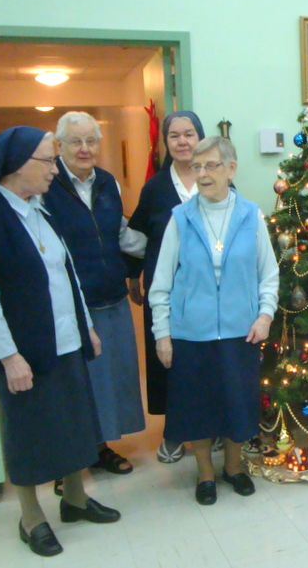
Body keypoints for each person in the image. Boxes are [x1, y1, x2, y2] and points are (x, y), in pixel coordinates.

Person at [0, 126, 121, 557]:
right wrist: (8, 357)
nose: (54, 169)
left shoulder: (39, 210)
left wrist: (86, 326)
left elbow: (67, 275)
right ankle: (30, 517)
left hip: (65, 340)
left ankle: (75, 500)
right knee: (27, 433)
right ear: (15, 165)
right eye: (47, 160)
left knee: (74, 423)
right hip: (23, 350)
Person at [149, 136, 279, 504]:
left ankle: (234, 468)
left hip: (241, 331)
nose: (202, 174)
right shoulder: (181, 217)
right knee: (197, 408)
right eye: (197, 167)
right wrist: (163, 334)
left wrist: (265, 315)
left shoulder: (251, 215)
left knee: (238, 404)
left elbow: (268, 273)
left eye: (211, 165)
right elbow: (161, 282)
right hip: (191, 333)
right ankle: (205, 472)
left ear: (231, 169)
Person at [43, 112, 146, 481]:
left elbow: (121, 234)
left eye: (91, 141)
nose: (84, 149)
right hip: (70, 303)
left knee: (108, 379)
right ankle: (68, 463)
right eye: (76, 141)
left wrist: (165, 247)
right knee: (73, 382)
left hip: (111, 296)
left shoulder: (107, 182)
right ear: (59, 146)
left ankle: (100, 448)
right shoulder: (47, 184)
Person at [127, 111, 205, 464]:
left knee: (205, 361)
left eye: (189, 134)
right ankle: (173, 432)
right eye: (175, 135)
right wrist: (133, 275)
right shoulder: (155, 188)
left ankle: (210, 428)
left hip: (208, 292)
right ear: (166, 143)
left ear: (200, 138)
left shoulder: (215, 179)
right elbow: (137, 235)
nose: (183, 141)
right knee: (169, 360)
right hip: (165, 291)